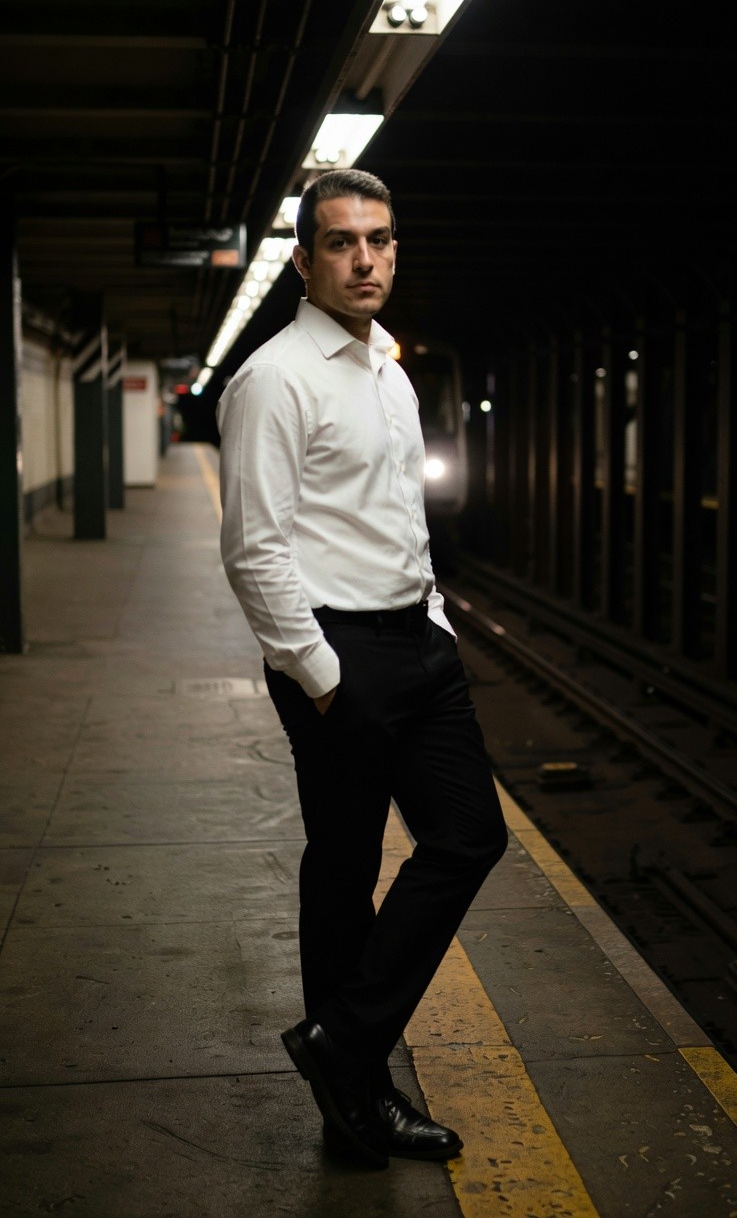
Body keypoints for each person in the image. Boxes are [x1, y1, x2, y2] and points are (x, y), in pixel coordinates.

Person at [217, 169, 507, 1169]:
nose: (366, 258)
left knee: (469, 837)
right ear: (305, 260)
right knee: (343, 871)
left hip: (415, 646)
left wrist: (433, 621)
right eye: (341, 242)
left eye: (379, 239)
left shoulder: (388, 368)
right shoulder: (274, 380)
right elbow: (254, 548)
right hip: (335, 652)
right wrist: (322, 674)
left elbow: (398, 511)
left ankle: (340, 1043)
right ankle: (358, 1101)